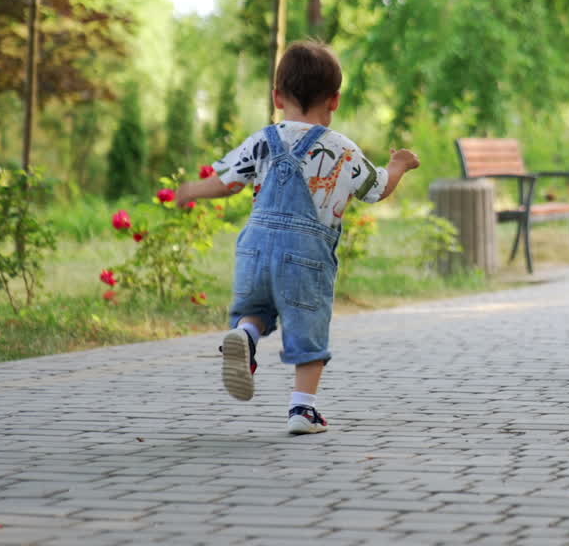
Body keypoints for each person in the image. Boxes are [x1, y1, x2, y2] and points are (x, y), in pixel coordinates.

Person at [175, 40, 420, 434]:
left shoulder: (263, 139)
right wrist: (398, 165)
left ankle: (246, 334)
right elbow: (377, 190)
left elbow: (227, 184)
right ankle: (302, 410)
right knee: (308, 327)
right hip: (307, 254)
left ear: (276, 97)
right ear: (335, 100)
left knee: (257, 306)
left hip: (254, 246)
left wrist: (188, 191)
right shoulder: (342, 149)